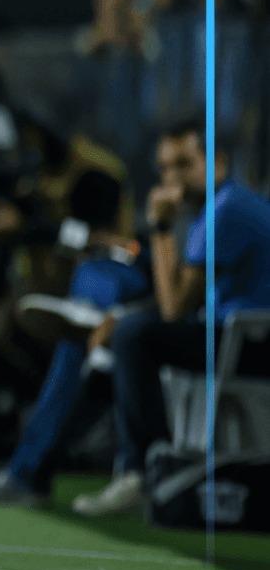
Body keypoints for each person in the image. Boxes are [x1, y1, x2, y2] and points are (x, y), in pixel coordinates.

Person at [72, 118, 270, 516]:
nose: (171, 178)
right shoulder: (218, 207)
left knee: (133, 336)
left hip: (252, 346)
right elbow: (183, 303)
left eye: (183, 164)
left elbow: (174, 307)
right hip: (232, 336)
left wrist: (160, 226)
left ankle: (146, 472)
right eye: (164, 167)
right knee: (124, 331)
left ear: (217, 163)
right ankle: (82, 457)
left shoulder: (227, 210)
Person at [0, 168, 149, 506]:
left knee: (89, 332)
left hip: (153, 326)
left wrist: (120, 313)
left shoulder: (133, 248)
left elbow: (167, 283)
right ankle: (29, 470)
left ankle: (30, 472)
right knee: (80, 350)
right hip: (117, 333)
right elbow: (63, 235)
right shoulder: (87, 242)